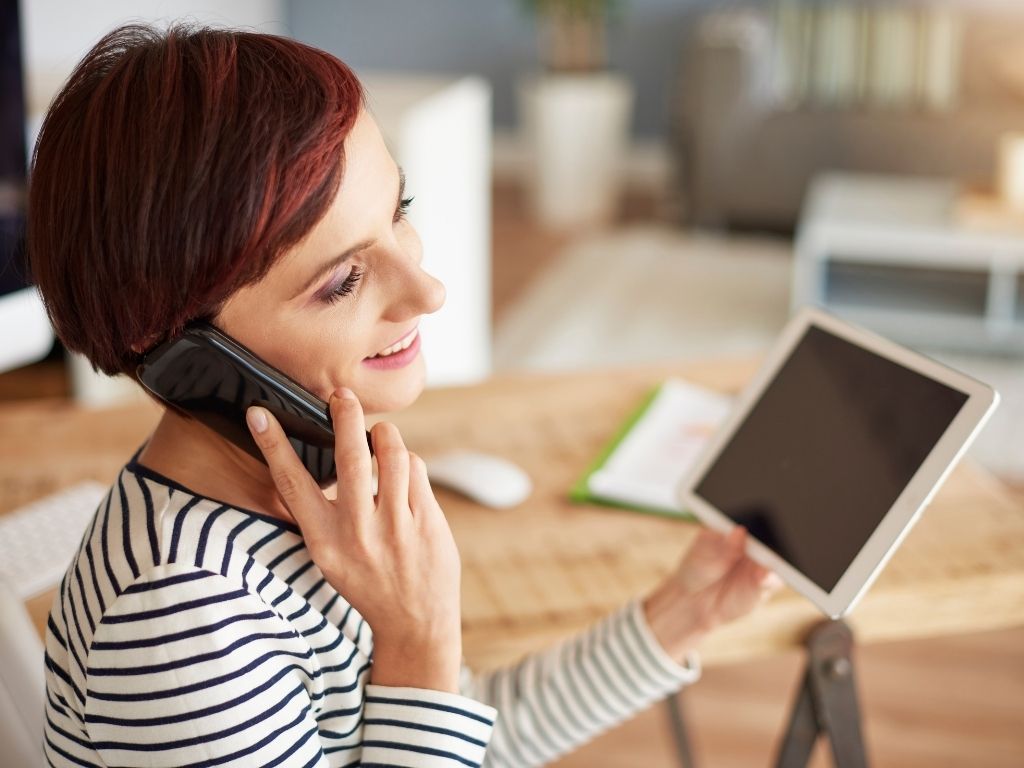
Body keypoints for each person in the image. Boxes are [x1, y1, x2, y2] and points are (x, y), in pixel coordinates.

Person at [30, 24, 780, 768]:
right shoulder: (181, 626)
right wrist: (417, 638)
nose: (428, 290)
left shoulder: (309, 504)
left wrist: (683, 615)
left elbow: (456, 738)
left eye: (399, 210)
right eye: (342, 282)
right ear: (182, 354)